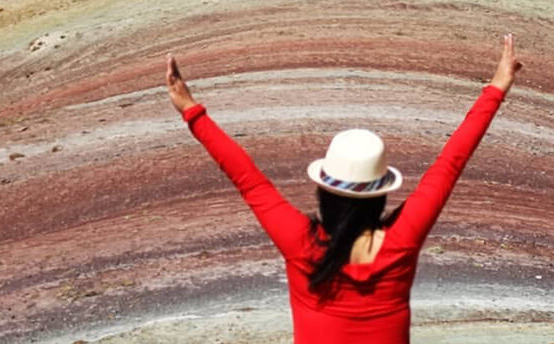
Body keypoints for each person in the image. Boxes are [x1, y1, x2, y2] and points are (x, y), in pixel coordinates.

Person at [166, 34, 522, 343]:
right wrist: (497, 87)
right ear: (380, 193)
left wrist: (191, 109)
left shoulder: (301, 244)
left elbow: (247, 178)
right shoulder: (401, 241)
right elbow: (450, 164)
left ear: (323, 191)